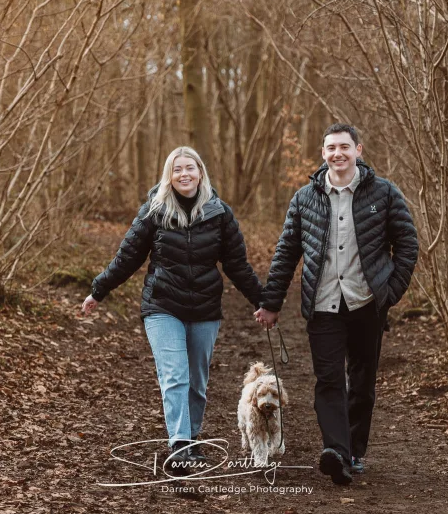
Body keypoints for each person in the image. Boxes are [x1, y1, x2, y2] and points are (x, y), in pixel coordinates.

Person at [254, 123, 419, 485]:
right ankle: (336, 452)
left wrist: (389, 292)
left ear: (358, 150)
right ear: (323, 153)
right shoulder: (305, 198)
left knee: (362, 383)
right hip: (323, 304)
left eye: (344, 147)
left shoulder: (384, 193)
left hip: (367, 304)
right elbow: (286, 253)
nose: (337, 154)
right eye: (331, 148)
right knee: (328, 381)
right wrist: (271, 302)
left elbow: (407, 244)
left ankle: (355, 451)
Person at [81, 146, 263, 473]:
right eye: (177, 169)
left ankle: (191, 440)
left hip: (205, 307)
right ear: (169, 175)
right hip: (162, 305)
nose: (184, 174)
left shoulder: (220, 213)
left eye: (189, 168)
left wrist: (263, 301)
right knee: (175, 375)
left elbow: (237, 265)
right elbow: (128, 256)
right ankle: (179, 445)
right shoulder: (154, 211)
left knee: (196, 381)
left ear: (200, 173)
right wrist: (99, 289)